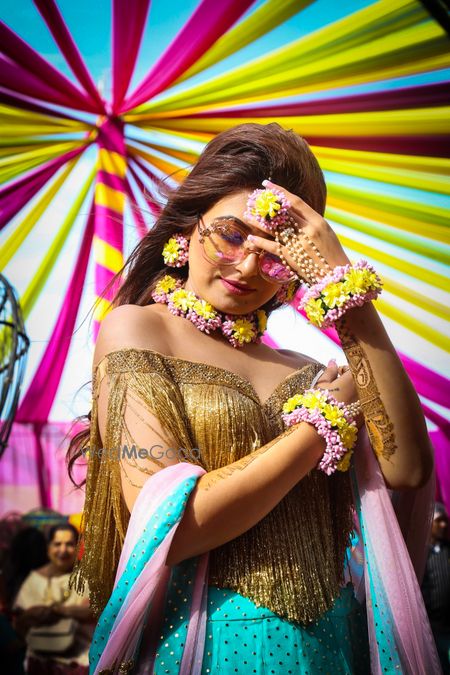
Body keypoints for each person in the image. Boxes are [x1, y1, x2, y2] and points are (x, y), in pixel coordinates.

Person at [67, 122, 440, 674]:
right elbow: (174, 526)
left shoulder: (309, 370)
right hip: (205, 647)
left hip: (333, 650)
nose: (247, 266)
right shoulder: (138, 330)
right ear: (188, 227)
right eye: (231, 234)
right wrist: (318, 428)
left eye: (273, 254)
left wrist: (345, 290)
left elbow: (408, 469)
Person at [13, 524, 94, 674]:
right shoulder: (35, 579)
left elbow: (93, 611)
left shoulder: (87, 578)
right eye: (57, 544)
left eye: (69, 544)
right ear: (48, 547)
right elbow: (19, 624)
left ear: (77, 547)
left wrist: (56, 610)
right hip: (40, 663)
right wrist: (30, 616)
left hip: (79, 664)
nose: (63, 550)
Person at [422, 502, 450, 673]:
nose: (444, 525)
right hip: (433, 627)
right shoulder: (422, 554)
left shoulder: (448, 550)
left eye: (445, 521)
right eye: (439, 521)